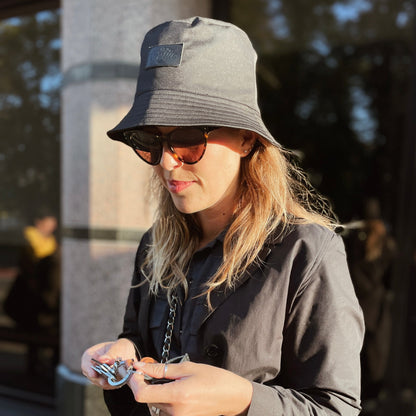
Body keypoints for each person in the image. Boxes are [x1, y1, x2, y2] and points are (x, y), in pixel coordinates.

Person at [81, 16, 364, 416]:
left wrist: (245, 399)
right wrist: (123, 357)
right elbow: (142, 340)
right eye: (151, 141)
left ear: (247, 139)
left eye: (187, 139)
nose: (166, 162)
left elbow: (338, 408)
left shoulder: (306, 251)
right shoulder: (155, 243)